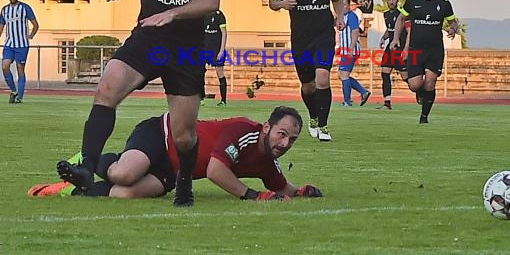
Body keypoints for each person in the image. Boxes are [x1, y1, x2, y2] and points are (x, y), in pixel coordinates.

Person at [55, 0, 221, 208]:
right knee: (108, 86)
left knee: (184, 135)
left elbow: (210, 0)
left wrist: (172, 14)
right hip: (149, 37)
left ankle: (184, 182)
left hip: (186, 50)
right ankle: (87, 167)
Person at [36, 107, 323, 201]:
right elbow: (214, 170)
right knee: (125, 174)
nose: (285, 143)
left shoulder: (267, 160)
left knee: (124, 194)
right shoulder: (243, 131)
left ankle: (66, 190)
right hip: (162, 134)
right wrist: (251, 195)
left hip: (175, 170)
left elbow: (281, 187)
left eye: (292, 140)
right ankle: (85, 160)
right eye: (281, 134)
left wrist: (302, 191)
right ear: (266, 127)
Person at [269, 0, 344, 142]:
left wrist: (340, 17)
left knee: (322, 78)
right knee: (308, 86)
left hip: (324, 38)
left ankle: (324, 126)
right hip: (301, 40)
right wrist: (283, 3)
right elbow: (272, 2)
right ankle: (313, 117)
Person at [390, 0, 458, 123]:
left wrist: (453, 29)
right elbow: (401, 19)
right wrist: (395, 38)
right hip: (416, 49)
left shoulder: (443, 3)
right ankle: (419, 93)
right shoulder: (413, 1)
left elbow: (453, 21)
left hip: (434, 50)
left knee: (430, 83)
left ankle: (424, 116)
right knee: (415, 85)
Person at [1, 0, 40, 103]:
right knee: (5, 66)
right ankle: (13, 90)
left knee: (20, 69)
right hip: (9, 44)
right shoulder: (4, 10)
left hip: (22, 45)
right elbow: (1, 26)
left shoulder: (25, 8)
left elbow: (35, 24)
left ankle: (19, 97)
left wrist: (31, 35)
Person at [379, 0, 410, 110]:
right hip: (390, 48)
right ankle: (387, 101)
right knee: (384, 73)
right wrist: (383, 38)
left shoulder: (402, 14)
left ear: (398, 0)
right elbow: (390, 29)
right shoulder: (386, 14)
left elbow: (408, 31)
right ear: (386, 1)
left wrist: (406, 48)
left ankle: (420, 92)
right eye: (389, 0)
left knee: (405, 77)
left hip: (400, 48)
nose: (391, 2)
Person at [337, 0, 371, 107]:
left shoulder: (351, 16)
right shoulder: (342, 17)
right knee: (341, 75)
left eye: (345, 5)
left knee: (344, 75)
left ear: (349, 6)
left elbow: (355, 32)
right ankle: (363, 92)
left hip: (350, 50)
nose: (343, 7)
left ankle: (347, 101)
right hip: (345, 50)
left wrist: (350, 49)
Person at [203, 9, 228, 106]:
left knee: (220, 73)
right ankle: (201, 98)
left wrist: (221, 50)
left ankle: (223, 100)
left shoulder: (219, 15)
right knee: (200, 72)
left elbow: (224, 33)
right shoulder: (202, 14)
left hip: (216, 49)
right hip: (204, 48)